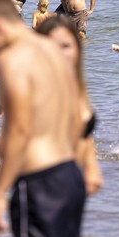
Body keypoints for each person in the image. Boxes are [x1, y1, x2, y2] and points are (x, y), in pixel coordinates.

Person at [0, 0, 86, 237]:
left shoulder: (13, 59)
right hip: (69, 175)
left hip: (39, 183)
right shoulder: (52, 50)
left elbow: (19, 130)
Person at [34, 16, 103, 197]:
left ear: (77, 48)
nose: (59, 52)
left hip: (74, 184)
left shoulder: (75, 87)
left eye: (65, 46)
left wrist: (91, 167)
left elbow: (83, 133)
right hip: (38, 185)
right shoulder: (34, 89)